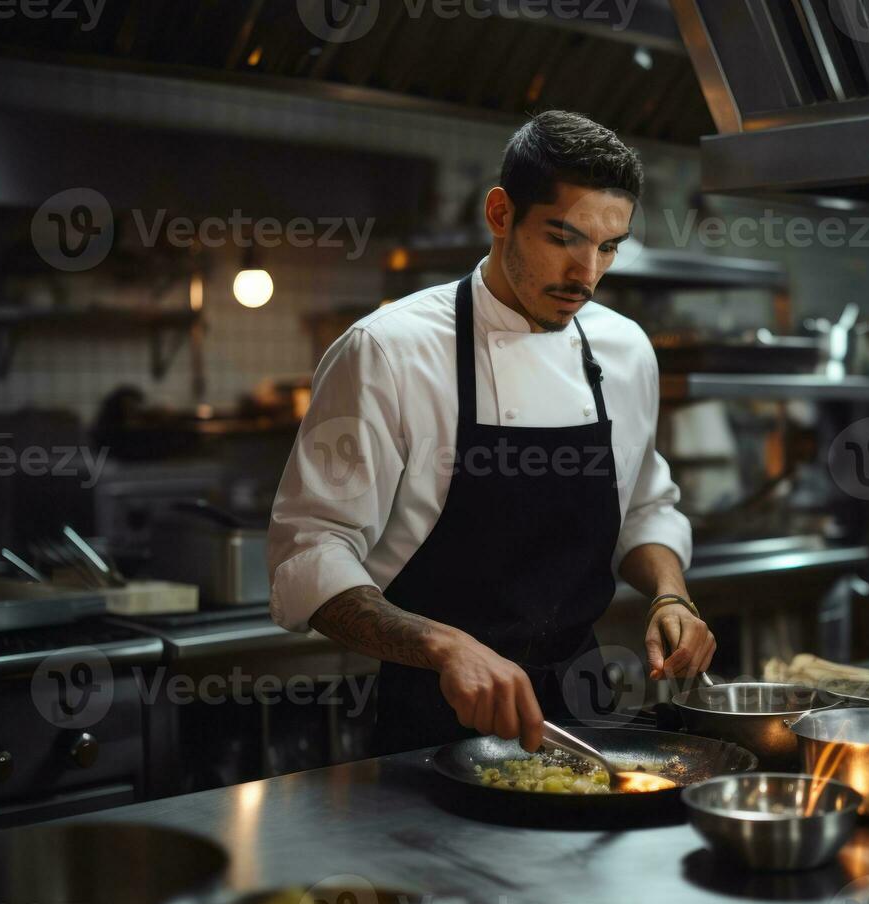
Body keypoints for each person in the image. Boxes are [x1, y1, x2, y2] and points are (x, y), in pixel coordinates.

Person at [268, 110, 714, 756]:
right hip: (428, 722)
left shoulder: (623, 351)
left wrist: (672, 596)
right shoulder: (389, 351)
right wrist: (443, 645)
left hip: (587, 717)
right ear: (500, 214)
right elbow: (307, 553)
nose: (585, 275)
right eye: (562, 237)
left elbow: (644, 507)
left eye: (608, 246)